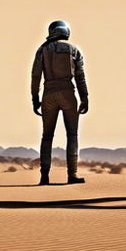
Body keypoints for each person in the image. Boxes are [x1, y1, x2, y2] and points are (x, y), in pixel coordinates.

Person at [31, 20, 89, 185]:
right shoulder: (74, 50)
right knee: (72, 135)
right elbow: (80, 77)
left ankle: (44, 176)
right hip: (68, 94)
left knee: (47, 136)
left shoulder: (42, 50)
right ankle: (73, 175)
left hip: (48, 94)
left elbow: (35, 76)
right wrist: (85, 98)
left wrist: (35, 99)